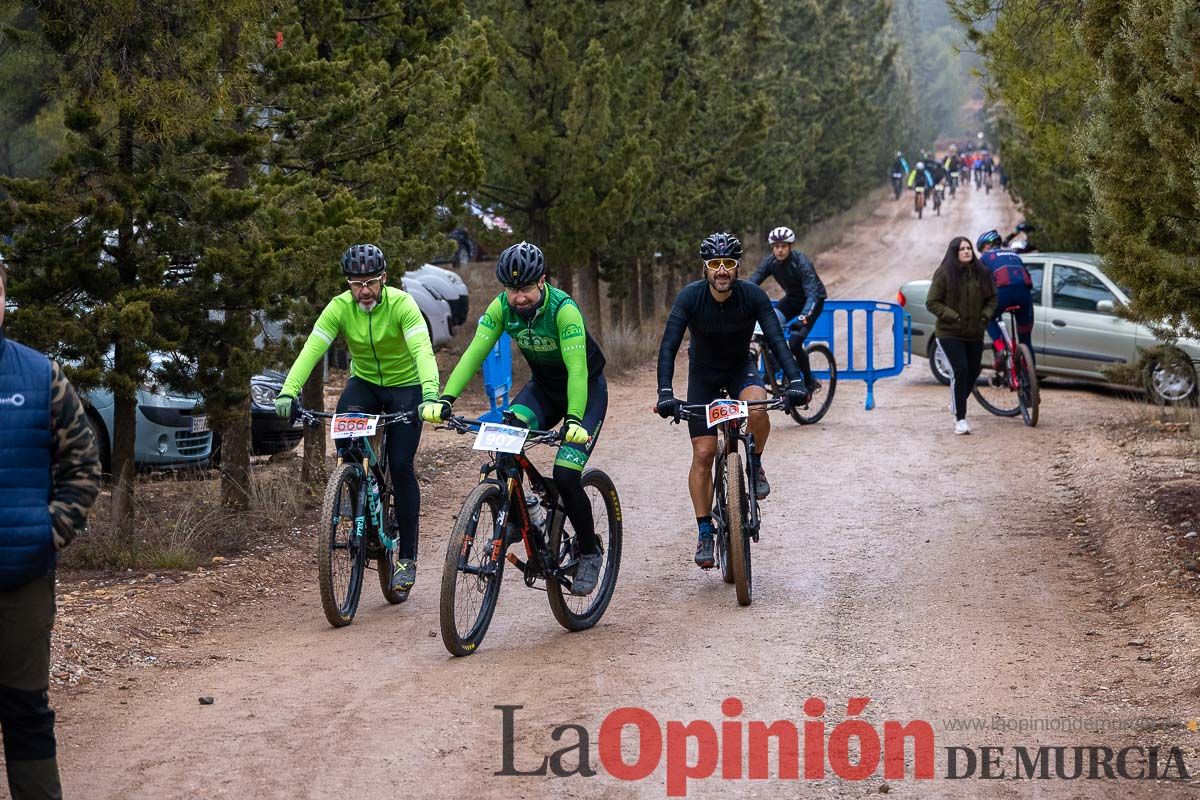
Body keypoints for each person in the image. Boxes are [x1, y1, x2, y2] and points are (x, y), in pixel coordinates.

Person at [430, 242, 609, 595]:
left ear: (542, 281)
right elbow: (474, 354)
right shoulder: (501, 308)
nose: (519, 297)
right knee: (503, 440)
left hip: (584, 392)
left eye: (526, 288)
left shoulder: (564, 311)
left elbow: (576, 371)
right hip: (542, 389)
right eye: (512, 290)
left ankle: (589, 551)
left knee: (566, 473)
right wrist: (445, 398)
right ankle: (519, 515)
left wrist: (573, 420)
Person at [275, 244, 440, 594]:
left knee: (400, 464)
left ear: (384, 279)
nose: (364, 290)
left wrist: (429, 394)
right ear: (348, 283)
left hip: (406, 385)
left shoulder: (402, 305)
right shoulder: (339, 308)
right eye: (356, 283)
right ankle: (355, 491)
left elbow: (423, 351)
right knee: (346, 442)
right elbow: (312, 349)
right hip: (364, 382)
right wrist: (289, 391)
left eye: (371, 282)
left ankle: (407, 557)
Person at [0, 261, 101, 799]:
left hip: (23, 579)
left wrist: (47, 532)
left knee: (25, 713)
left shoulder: (39, 375)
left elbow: (83, 468)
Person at [655, 233, 808, 568]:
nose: (721, 271)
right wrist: (665, 392)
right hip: (704, 376)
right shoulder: (690, 298)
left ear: (738, 266)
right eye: (714, 264)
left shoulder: (752, 296)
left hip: (741, 369)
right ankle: (705, 531)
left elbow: (777, 340)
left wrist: (796, 381)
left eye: (728, 264)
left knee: (758, 407)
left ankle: (754, 463)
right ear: (705, 268)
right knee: (704, 452)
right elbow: (668, 346)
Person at [926, 237, 997, 435]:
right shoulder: (944, 274)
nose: (967, 251)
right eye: (962, 249)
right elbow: (932, 302)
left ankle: (956, 403)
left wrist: (984, 317)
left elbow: (992, 298)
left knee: (973, 371)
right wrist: (954, 317)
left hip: (974, 332)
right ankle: (961, 420)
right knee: (960, 370)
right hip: (950, 332)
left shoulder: (981, 273)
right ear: (954, 252)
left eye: (969, 248)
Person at [748, 226, 828, 394]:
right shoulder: (770, 262)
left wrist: (803, 317)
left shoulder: (801, 262)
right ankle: (774, 369)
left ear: (790, 247)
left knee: (795, 342)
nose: (780, 250)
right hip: (793, 300)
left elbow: (812, 292)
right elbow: (753, 281)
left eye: (783, 246)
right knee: (764, 329)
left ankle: (809, 381)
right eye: (776, 247)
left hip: (813, 301)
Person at [976, 229, 1036, 368]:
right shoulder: (1014, 254)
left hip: (1004, 293)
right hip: (1024, 296)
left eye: (981, 249)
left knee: (986, 316)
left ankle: (1001, 347)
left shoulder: (986, 257)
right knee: (1026, 340)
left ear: (986, 246)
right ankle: (1029, 381)